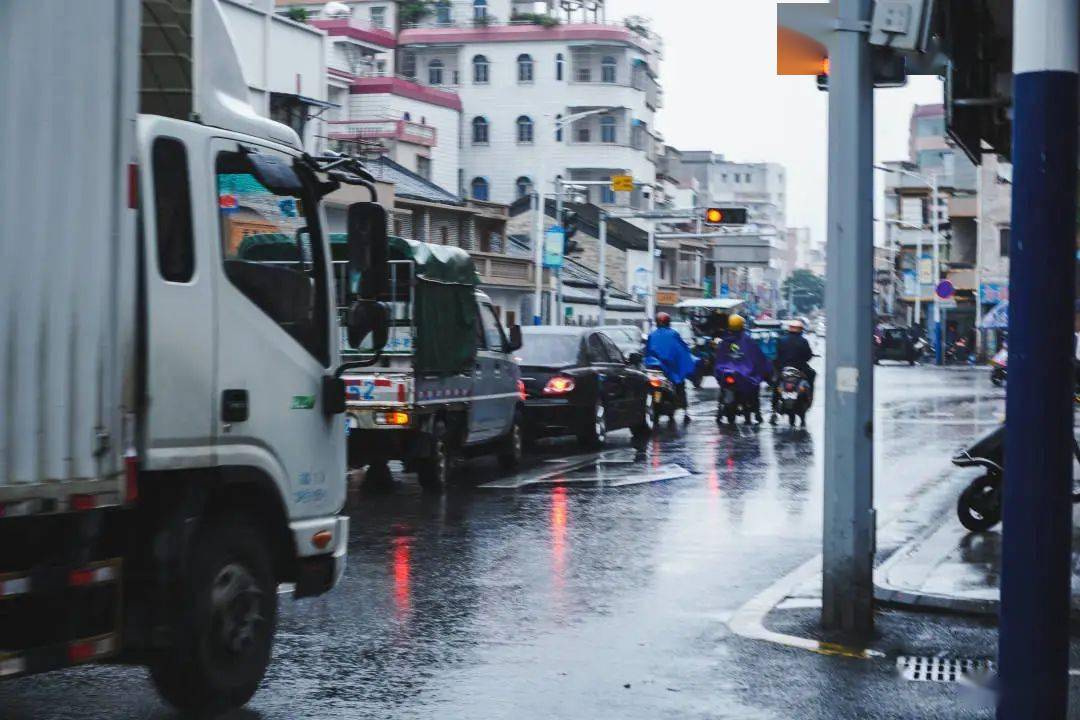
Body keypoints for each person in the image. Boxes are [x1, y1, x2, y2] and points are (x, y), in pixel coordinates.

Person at [713, 314, 771, 424]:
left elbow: (719, 357)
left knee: (723, 389)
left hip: (725, 371)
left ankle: (719, 412)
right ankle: (757, 413)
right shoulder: (747, 340)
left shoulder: (725, 340)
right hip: (744, 373)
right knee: (754, 387)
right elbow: (757, 357)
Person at [645, 312, 698, 422]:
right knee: (680, 385)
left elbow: (647, 352)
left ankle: (683, 411)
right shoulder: (673, 334)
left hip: (657, 370)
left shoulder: (652, 335)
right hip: (668, 370)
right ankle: (685, 411)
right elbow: (682, 350)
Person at [771, 320, 816, 423]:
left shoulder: (781, 340)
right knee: (812, 375)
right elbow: (808, 356)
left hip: (784, 370)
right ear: (800, 330)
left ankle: (773, 409)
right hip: (799, 370)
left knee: (776, 385)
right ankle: (809, 399)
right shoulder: (803, 341)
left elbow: (777, 355)